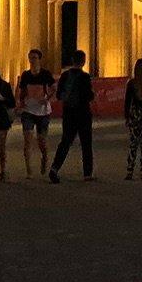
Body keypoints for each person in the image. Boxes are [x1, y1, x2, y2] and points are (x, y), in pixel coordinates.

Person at [48, 48, 95, 182]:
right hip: (83, 113)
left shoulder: (65, 76)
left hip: (68, 113)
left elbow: (58, 95)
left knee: (65, 142)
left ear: (72, 60)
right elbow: (88, 95)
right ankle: (87, 173)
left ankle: (54, 168)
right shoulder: (85, 77)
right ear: (84, 62)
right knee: (86, 143)